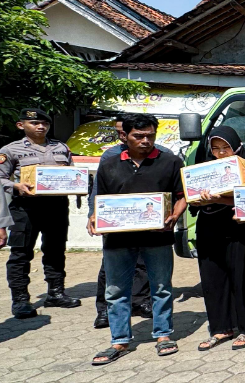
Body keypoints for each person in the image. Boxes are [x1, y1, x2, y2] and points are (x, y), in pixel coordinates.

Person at [89, 113, 186, 365]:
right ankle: (119, 340)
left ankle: (163, 335)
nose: (145, 140)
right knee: (116, 290)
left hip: (158, 237)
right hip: (118, 239)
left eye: (150, 135)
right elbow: (100, 198)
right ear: (125, 135)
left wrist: (174, 215)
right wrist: (93, 217)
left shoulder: (171, 162)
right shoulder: (109, 164)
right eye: (138, 136)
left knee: (161, 287)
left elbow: (182, 195)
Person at [1, 108, 82, 319]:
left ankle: (55, 293)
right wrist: (15, 185)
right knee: (21, 253)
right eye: (35, 123)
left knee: (55, 250)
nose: (41, 127)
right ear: (21, 125)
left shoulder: (61, 147)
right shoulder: (10, 150)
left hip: (56, 207)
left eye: (44, 123)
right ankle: (20, 300)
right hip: (25, 207)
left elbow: (71, 174)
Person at [193, 127, 245, 352]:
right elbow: (191, 199)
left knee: (242, 279)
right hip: (209, 229)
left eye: (226, 148)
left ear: (237, 146)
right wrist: (198, 200)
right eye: (216, 149)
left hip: (239, 229)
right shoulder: (202, 169)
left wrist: (220, 199)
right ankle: (220, 328)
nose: (221, 153)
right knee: (212, 280)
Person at [92, 114, 152, 329]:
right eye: (119, 132)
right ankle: (104, 310)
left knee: (142, 264)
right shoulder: (110, 157)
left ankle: (141, 302)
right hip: (116, 222)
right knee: (110, 267)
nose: (122, 136)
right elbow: (98, 190)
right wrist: (94, 215)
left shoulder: (158, 155)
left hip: (146, 222)